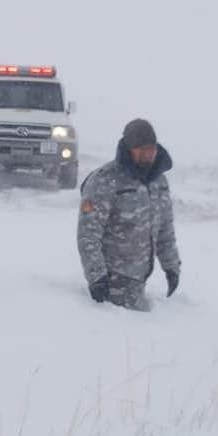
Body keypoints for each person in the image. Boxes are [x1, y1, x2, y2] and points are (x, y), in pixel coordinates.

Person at [76, 119, 181, 311]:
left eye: (151, 149)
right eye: (140, 149)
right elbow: (88, 234)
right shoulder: (104, 181)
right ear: (127, 148)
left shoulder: (159, 181)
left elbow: (165, 229)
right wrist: (97, 278)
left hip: (140, 279)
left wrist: (171, 267)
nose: (147, 154)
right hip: (112, 282)